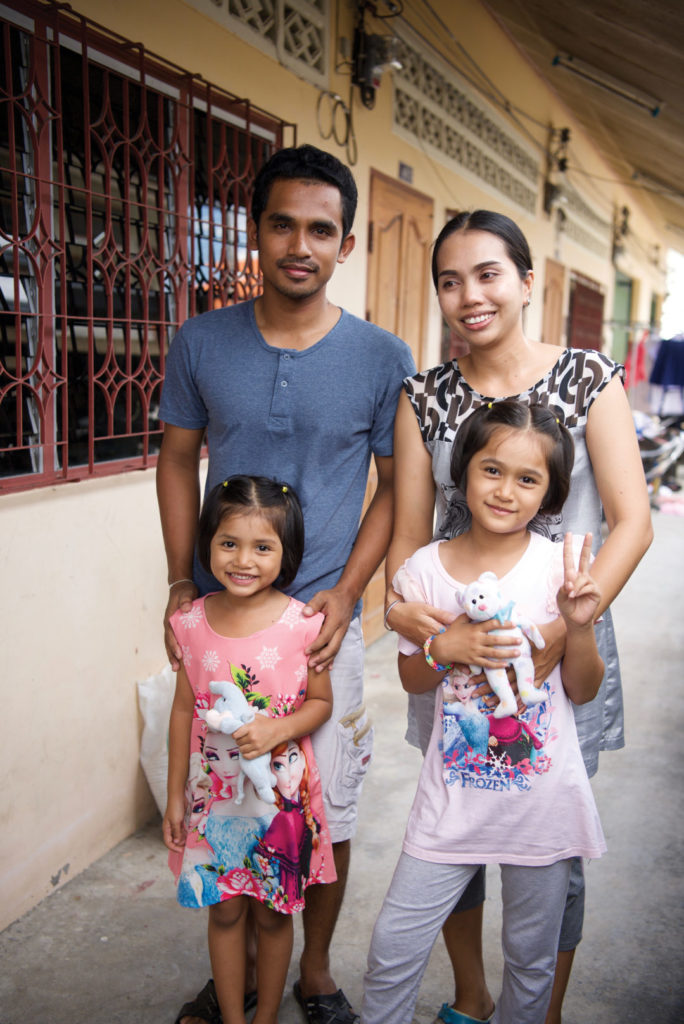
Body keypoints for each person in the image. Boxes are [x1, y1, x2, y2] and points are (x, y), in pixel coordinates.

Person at [157, 143, 416, 1024]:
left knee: (325, 808)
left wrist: (348, 594)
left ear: (346, 245)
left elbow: (394, 484)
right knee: (225, 797)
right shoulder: (201, 339)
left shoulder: (383, 356)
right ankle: (240, 968)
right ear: (256, 233)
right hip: (222, 620)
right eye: (282, 224)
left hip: (318, 629)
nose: (299, 244)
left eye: (321, 229)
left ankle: (311, 969)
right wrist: (175, 582)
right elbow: (177, 459)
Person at [385, 210, 652, 1024]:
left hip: (565, 649)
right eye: (450, 279)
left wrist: (560, 628)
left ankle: (541, 1012)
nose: (470, 295)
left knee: (553, 842)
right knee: (453, 832)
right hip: (454, 645)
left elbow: (631, 518)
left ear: (527, 282)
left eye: (488, 273)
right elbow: (405, 546)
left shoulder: (587, 376)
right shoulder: (423, 396)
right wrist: (434, 635)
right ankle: (471, 993)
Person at [362, 399, 607, 1024]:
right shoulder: (423, 571)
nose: (506, 490)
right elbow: (411, 673)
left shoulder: (560, 569)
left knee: (531, 962)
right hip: (452, 802)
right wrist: (444, 647)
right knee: (394, 945)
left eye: (528, 479)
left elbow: (582, 688)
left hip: (541, 806)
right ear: (463, 472)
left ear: (551, 494)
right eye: (491, 470)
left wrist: (577, 629)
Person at [164, 475, 334, 1023]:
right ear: (207, 543)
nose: (244, 560)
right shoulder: (189, 624)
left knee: (272, 916)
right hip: (214, 801)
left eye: (263, 547)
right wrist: (172, 799)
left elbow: (321, 704)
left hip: (280, 804)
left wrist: (277, 729)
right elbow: (183, 711)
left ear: (287, 554)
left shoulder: (304, 624)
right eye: (229, 543)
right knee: (226, 914)